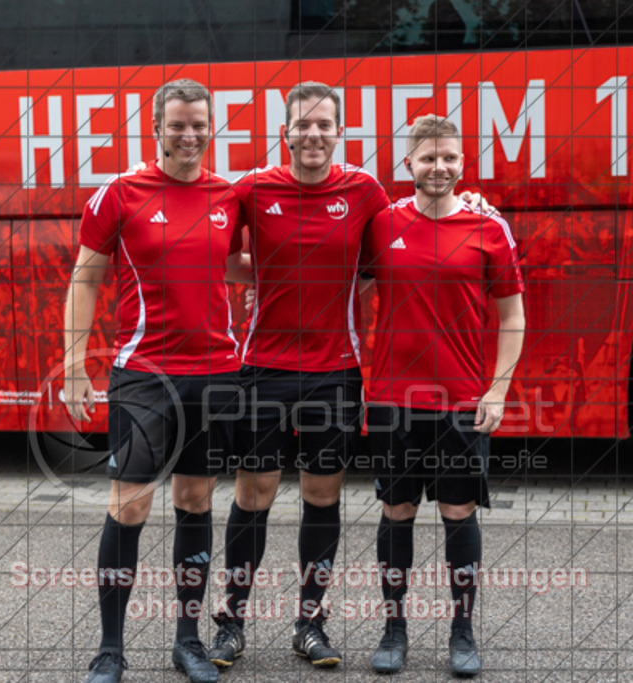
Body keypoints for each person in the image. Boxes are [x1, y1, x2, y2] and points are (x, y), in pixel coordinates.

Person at [207, 82, 495, 670]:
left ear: (339, 133)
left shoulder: (363, 191)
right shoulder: (254, 188)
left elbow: (400, 244)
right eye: (302, 125)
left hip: (336, 372)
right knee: (252, 496)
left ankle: (310, 624)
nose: (313, 134)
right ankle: (230, 623)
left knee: (322, 498)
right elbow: (209, 245)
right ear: (285, 132)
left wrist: (479, 206)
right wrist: (257, 271)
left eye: (325, 126)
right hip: (262, 369)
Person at [64, 78, 247, 683]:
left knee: (195, 501)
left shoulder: (232, 196)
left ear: (211, 128)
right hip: (143, 376)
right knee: (130, 505)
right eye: (178, 124)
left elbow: (283, 229)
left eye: (199, 124)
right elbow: (84, 279)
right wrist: (73, 365)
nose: (189, 134)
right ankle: (110, 649)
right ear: (157, 129)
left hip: (217, 375)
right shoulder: (120, 193)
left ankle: (188, 642)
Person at [361, 114, 525, 677]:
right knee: (397, 512)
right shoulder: (380, 225)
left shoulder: (489, 229)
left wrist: (498, 390)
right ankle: (393, 630)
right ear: (409, 164)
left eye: (450, 158)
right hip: (392, 398)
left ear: (463, 164)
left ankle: (462, 630)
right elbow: (344, 287)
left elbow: (512, 317)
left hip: (459, 400)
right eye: (429, 158)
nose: (440, 167)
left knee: (459, 514)